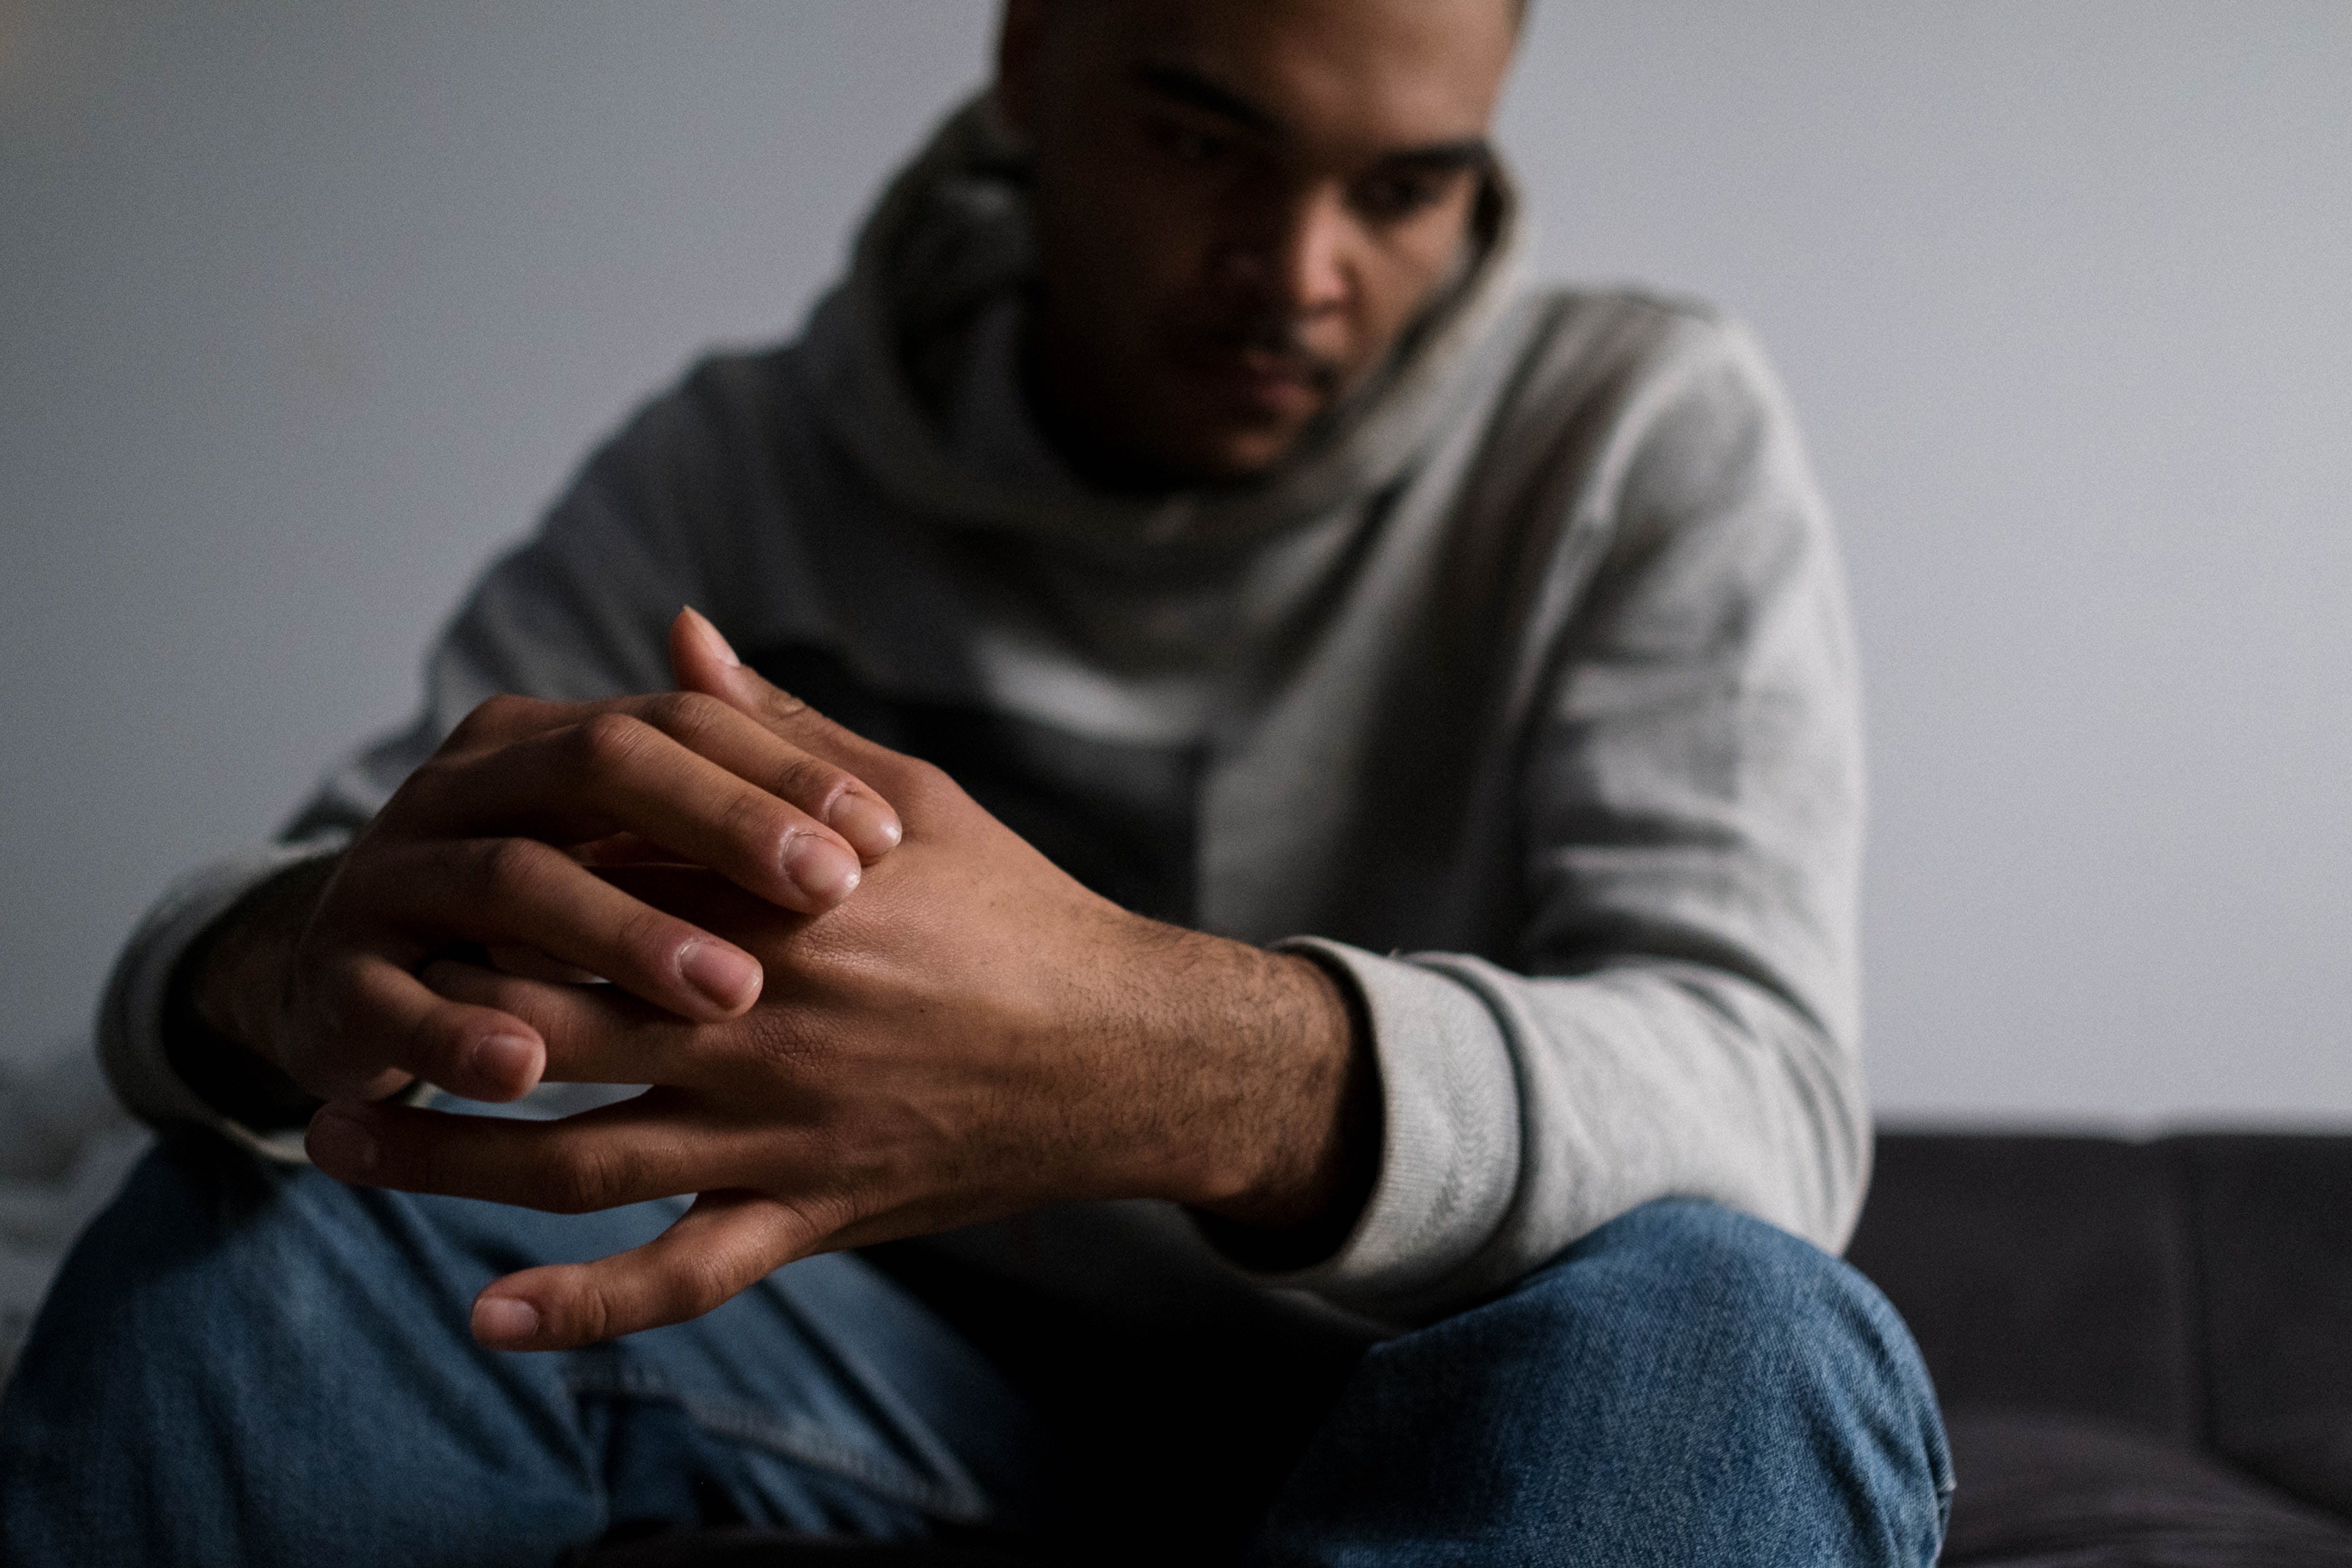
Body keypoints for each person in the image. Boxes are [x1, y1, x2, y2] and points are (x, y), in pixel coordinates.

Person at [0, 0, 1952, 1562]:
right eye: (1201, 141)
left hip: (1455, 1397)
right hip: (887, 1378)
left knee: (1736, 1328)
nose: (1299, 274)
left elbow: (1761, 1098)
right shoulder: (745, 467)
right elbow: (309, 918)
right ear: (1029, 57)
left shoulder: (1631, 433)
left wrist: (1138, 1054)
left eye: (1406, 186)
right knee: (281, 1231)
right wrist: (283, 966)